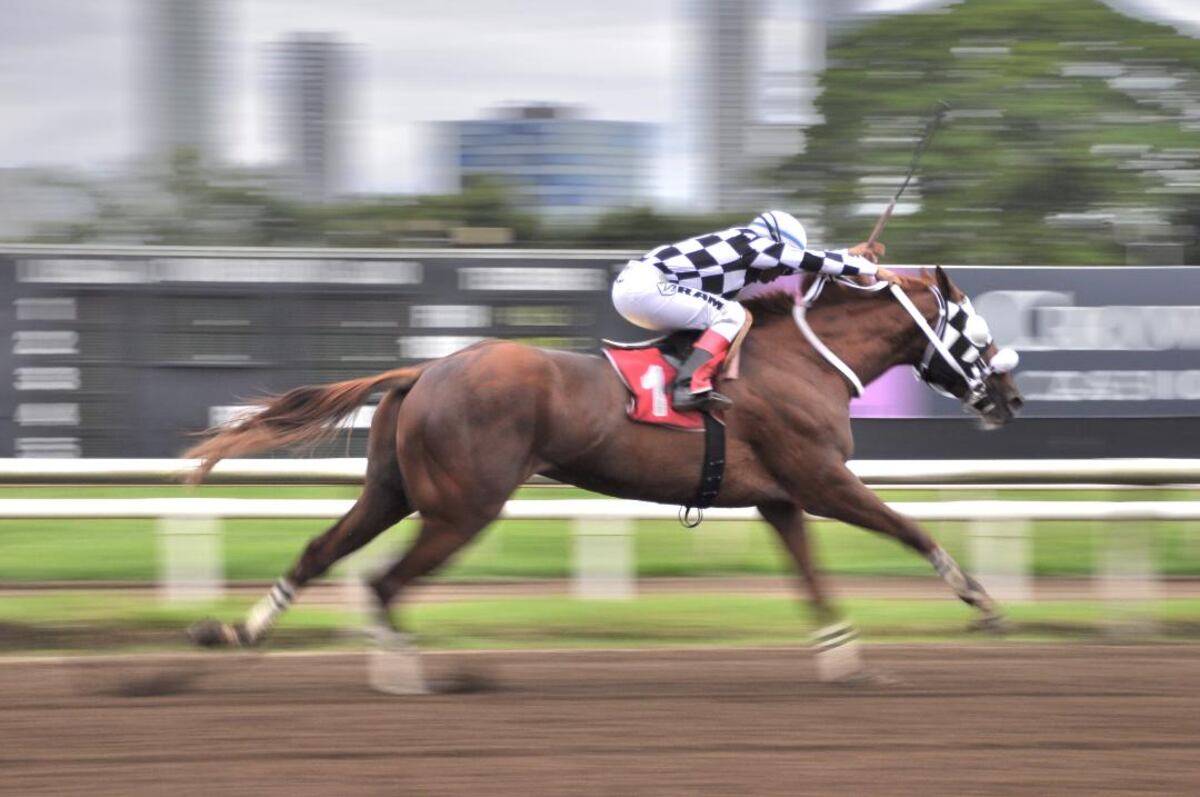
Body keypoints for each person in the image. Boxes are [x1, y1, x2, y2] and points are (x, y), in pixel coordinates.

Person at [611, 210, 896, 411]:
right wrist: (869, 268)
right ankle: (687, 386)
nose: (780, 273)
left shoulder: (748, 251)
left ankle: (677, 373)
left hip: (640, 288)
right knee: (732, 315)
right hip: (645, 288)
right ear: (775, 245)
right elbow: (799, 259)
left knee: (713, 319)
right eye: (781, 266)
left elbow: (798, 261)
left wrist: (847, 254)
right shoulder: (751, 242)